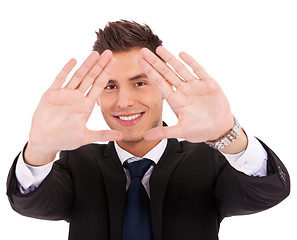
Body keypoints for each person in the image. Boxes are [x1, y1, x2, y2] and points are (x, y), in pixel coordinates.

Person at [7, 20, 290, 240]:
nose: (124, 101)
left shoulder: (208, 160)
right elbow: (31, 204)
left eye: (139, 83)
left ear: (165, 87)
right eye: (109, 86)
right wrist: (40, 149)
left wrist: (227, 135)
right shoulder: (76, 161)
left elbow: (267, 192)